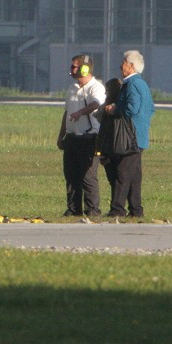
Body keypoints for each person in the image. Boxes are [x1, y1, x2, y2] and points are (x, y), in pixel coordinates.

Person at [103, 49, 155, 218]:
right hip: (140, 135)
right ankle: (136, 210)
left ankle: (117, 209)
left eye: (124, 62)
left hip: (130, 136)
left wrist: (115, 109)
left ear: (131, 66)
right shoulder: (142, 84)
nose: (121, 65)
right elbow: (150, 108)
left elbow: (132, 107)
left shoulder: (132, 84)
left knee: (122, 171)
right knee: (134, 175)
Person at [57, 53, 106, 217]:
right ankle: (73, 209)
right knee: (71, 175)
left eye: (74, 66)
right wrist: (61, 135)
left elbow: (95, 104)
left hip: (89, 138)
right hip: (71, 138)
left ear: (85, 69)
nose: (71, 69)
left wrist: (80, 113)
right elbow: (66, 112)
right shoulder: (72, 88)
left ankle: (92, 209)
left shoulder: (96, 87)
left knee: (88, 176)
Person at [95, 76, 124, 210]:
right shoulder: (117, 106)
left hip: (111, 146)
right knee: (116, 179)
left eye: (107, 91)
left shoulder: (112, 109)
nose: (106, 94)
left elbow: (99, 119)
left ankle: (117, 207)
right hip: (113, 146)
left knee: (114, 179)